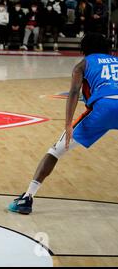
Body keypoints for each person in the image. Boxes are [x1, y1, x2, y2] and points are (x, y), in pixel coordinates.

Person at [8, 33, 118, 215]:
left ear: (84, 50)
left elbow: (74, 92)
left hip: (103, 108)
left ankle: (27, 198)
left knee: (55, 151)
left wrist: (68, 124)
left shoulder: (82, 64)